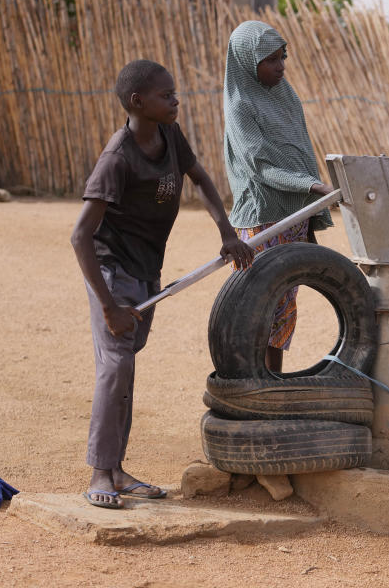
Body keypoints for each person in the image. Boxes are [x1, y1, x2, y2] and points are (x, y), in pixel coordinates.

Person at [71, 59, 254, 508]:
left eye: (175, 93)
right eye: (166, 95)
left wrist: (226, 232)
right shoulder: (117, 157)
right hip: (113, 274)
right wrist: (110, 306)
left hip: (146, 273)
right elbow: (80, 236)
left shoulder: (170, 135)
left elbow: (200, 178)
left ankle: (116, 470)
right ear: (138, 102)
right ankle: (100, 472)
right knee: (115, 368)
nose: (176, 100)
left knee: (126, 368)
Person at [222, 20, 334, 373]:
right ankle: (250, 383)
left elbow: (302, 152)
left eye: (282, 56)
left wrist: (311, 214)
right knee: (258, 305)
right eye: (269, 59)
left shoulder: (287, 96)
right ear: (245, 62)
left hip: (295, 218)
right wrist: (314, 188)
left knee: (284, 305)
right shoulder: (240, 106)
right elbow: (260, 168)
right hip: (263, 221)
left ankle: (274, 381)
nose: (280, 66)